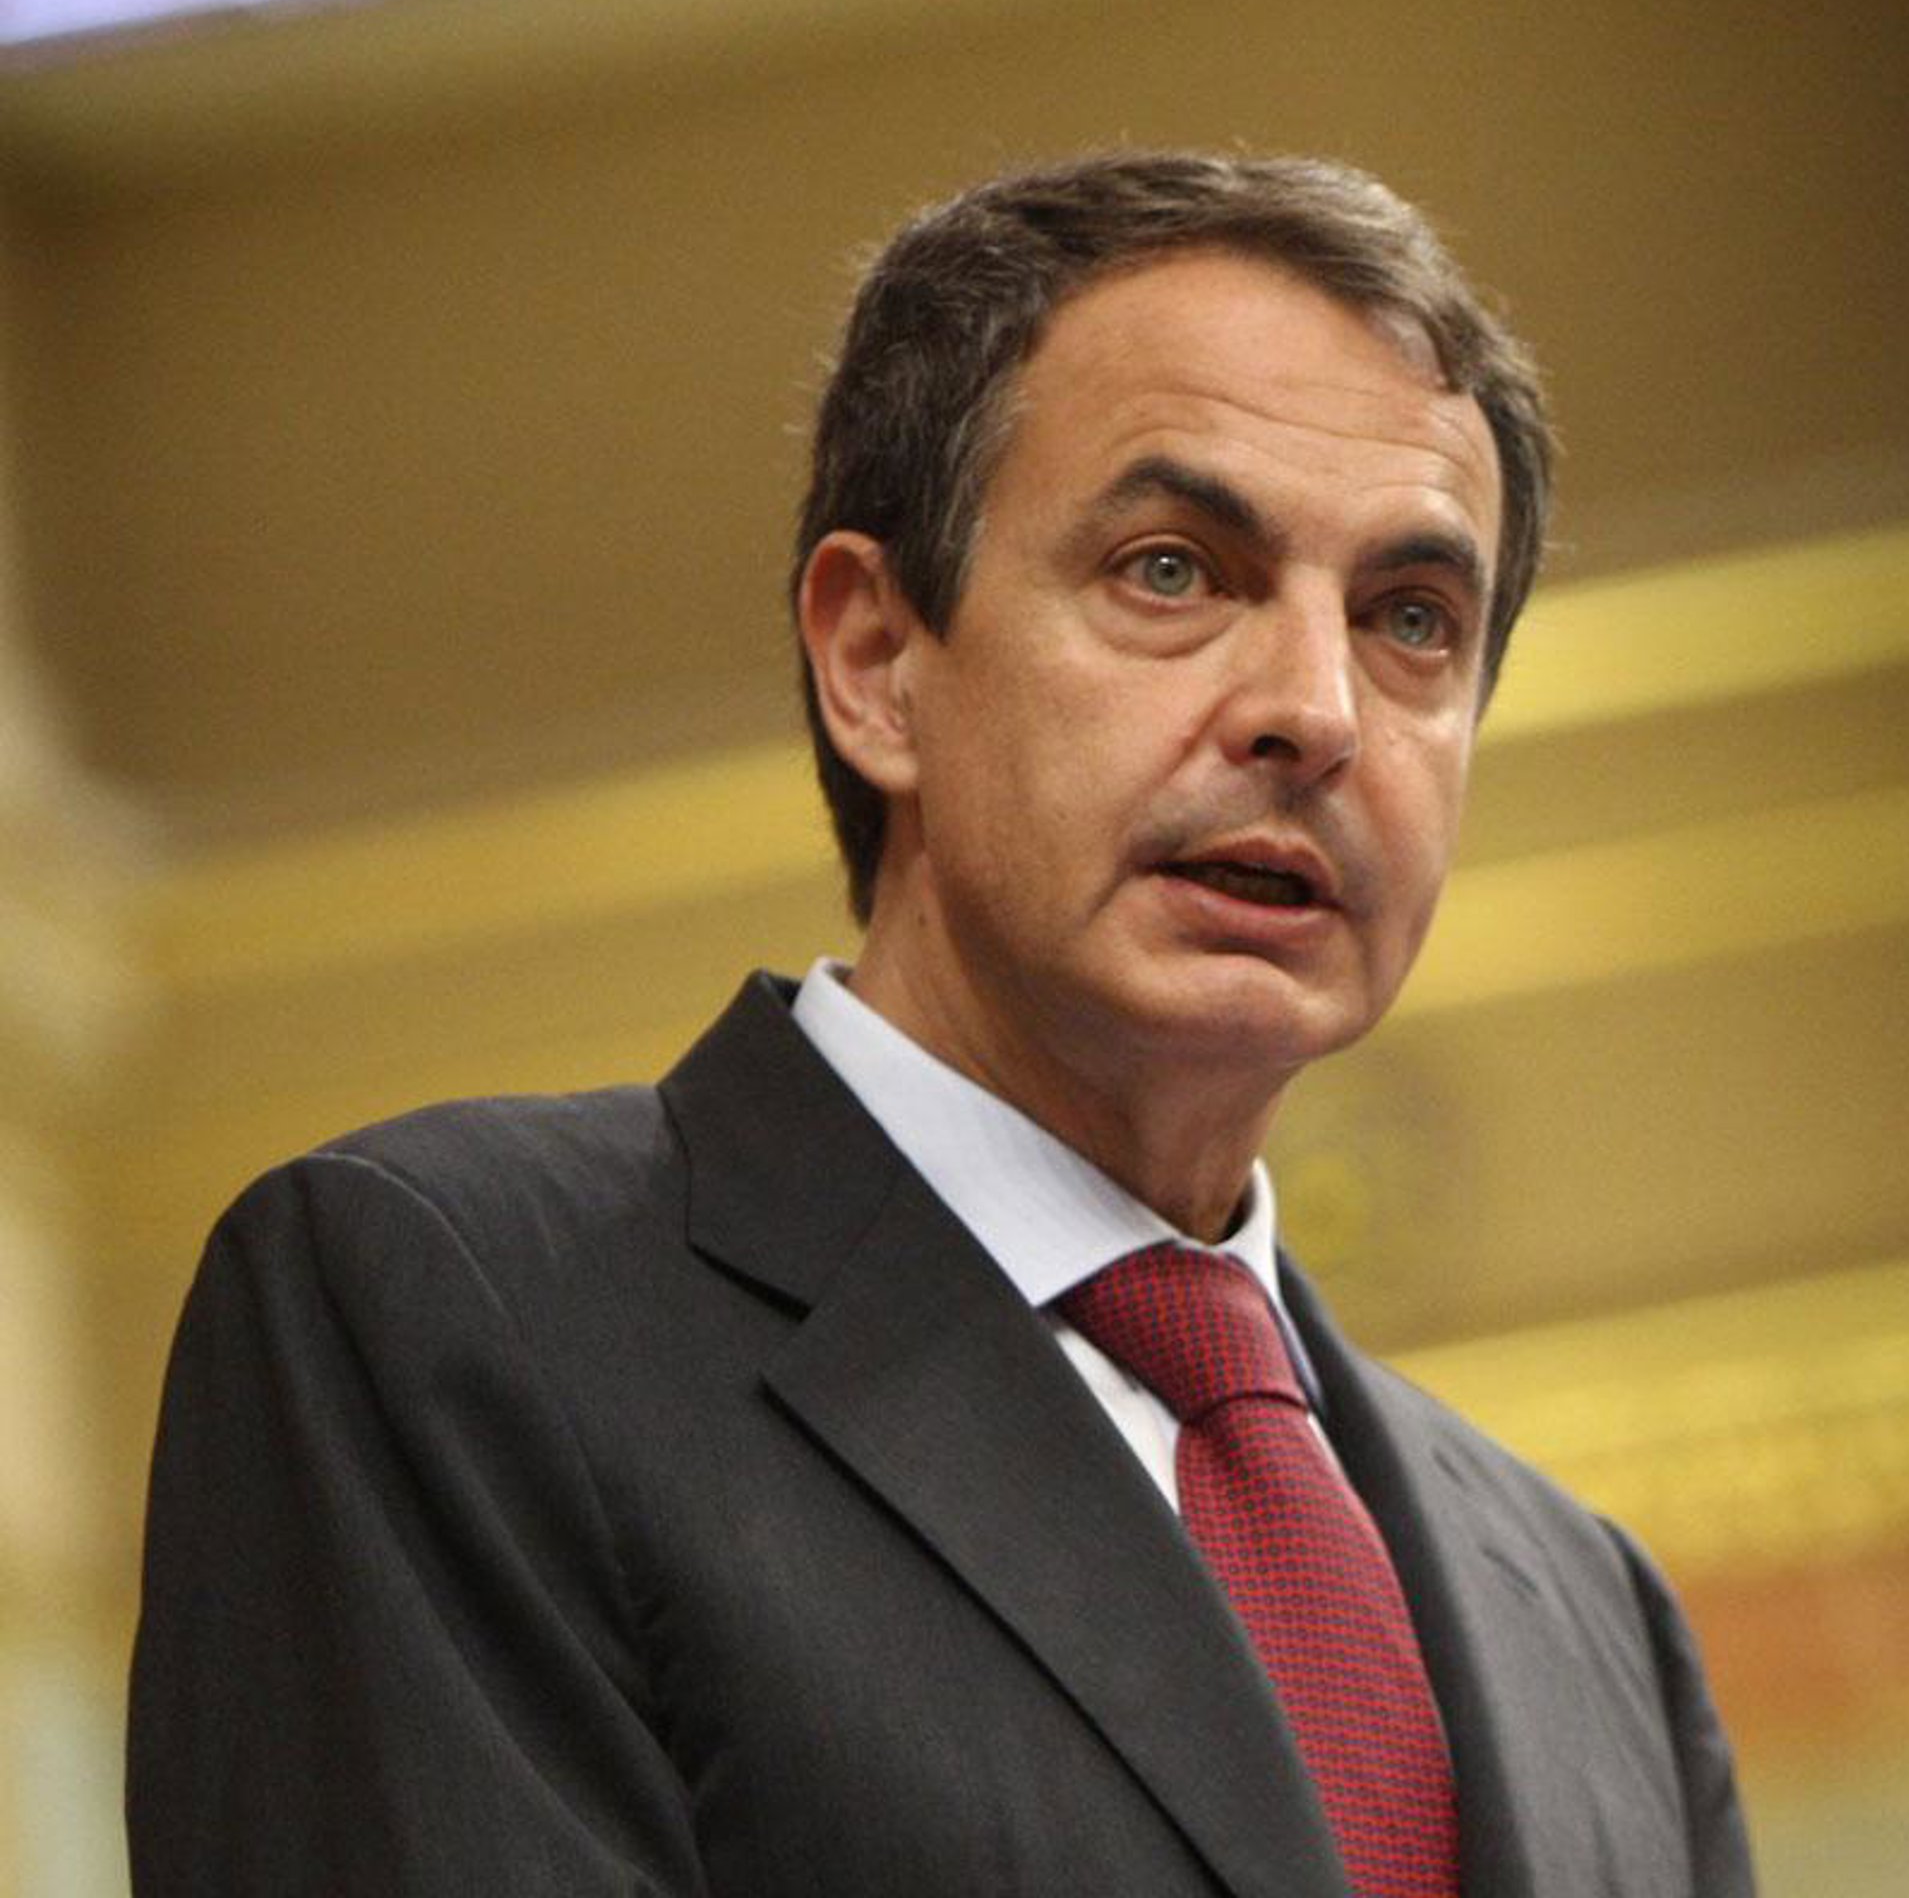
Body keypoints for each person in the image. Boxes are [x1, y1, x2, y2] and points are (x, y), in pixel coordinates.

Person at [128, 153, 1754, 1896]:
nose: (1316, 710)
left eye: (1411, 620)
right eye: (1172, 571)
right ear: (877, 661)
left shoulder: (1596, 1620)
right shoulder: (454, 1314)